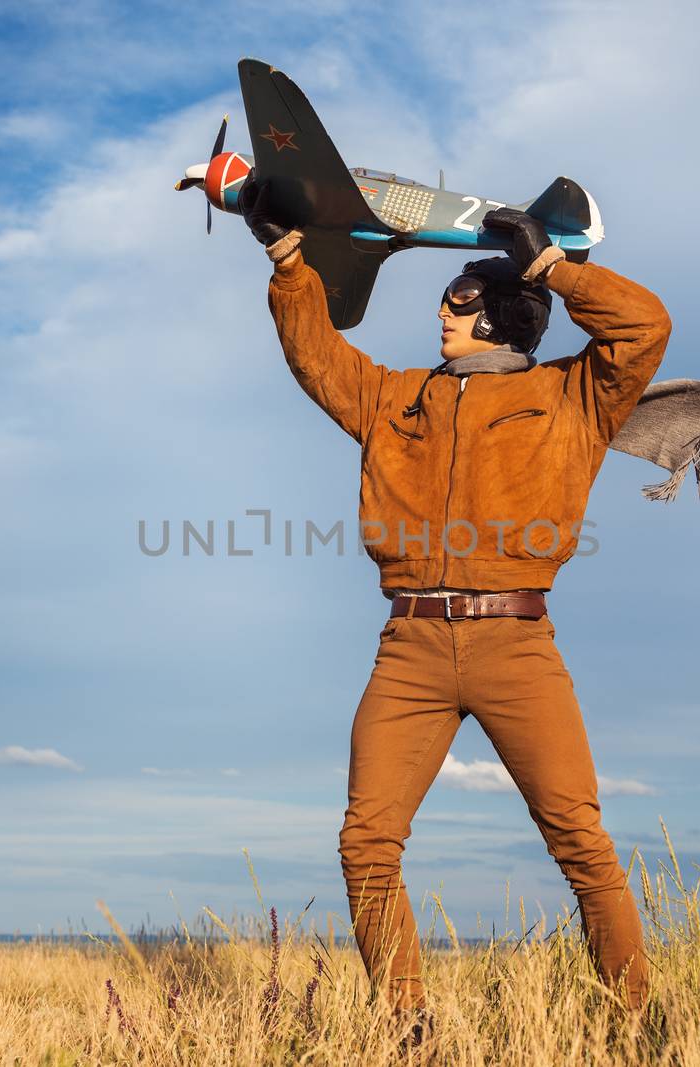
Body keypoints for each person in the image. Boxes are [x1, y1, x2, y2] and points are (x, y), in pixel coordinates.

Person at [243, 178, 670, 1042]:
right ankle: (409, 1027)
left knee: (581, 843)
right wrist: (288, 257)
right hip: (410, 647)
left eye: (459, 301)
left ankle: (640, 1025)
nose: (441, 313)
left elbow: (644, 327)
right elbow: (315, 355)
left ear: (503, 314)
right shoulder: (396, 395)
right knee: (366, 842)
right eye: (444, 300)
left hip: (518, 643)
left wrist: (550, 264)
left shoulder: (574, 396)